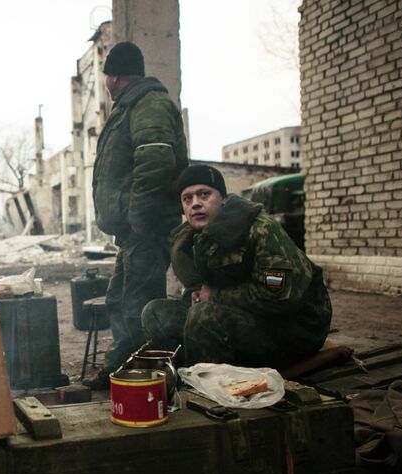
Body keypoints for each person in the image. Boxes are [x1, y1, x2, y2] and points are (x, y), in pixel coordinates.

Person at [141, 164, 332, 369]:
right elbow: (203, 286)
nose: (195, 203)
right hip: (243, 318)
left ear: (223, 199)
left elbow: (278, 295)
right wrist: (195, 296)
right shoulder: (191, 239)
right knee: (154, 313)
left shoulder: (261, 230)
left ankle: (211, 386)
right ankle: (189, 369)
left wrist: (213, 296)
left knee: (203, 317)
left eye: (204, 194)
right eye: (187, 199)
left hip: (295, 329)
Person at [86, 41, 188, 389]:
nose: (105, 83)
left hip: (147, 228)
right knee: (120, 299)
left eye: (105, 76)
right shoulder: (132, 106)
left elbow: (156, 161)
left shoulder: (149, 105)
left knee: (138, 304)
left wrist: (140, 217)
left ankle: (145, 377)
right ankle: (123, 368)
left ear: (113, 76)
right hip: (134, 231)